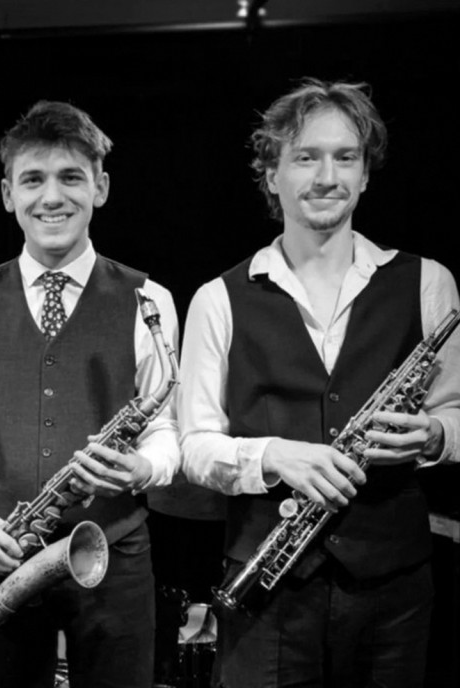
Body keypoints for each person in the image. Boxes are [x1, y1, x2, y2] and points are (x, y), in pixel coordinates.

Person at [179, 78, 460, 688]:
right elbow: (193, 447)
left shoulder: (429, 282)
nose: (327, 177)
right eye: (306, 157)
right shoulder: (217, 299)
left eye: (345, 157)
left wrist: (436, 436)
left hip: (393, 589)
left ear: (365, 174)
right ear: (271, 175)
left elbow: (457, 413)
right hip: (264, 591)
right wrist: (274, 456)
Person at [0, 100, 181, 688]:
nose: (52, 197)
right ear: (6, 194)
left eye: (71, 177)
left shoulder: (151, 300)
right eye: (32, 180)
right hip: (2, 552)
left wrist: (144, 467)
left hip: (113, 552)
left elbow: (166, 429)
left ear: (101, 187)